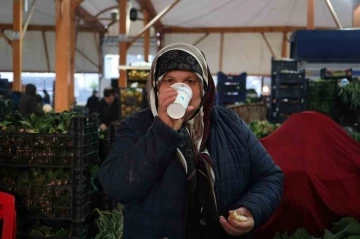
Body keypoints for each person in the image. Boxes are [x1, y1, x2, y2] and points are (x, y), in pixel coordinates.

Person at [98, 43, 283, 239]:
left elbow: (270, 177)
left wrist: (251, 209)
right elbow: (116, 186)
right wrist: (162, 131)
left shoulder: (230, 124)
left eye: (190, 81)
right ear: (156, 87)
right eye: (169, 80)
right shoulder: (135, 127)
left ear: (203, 87)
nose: (179, 89)